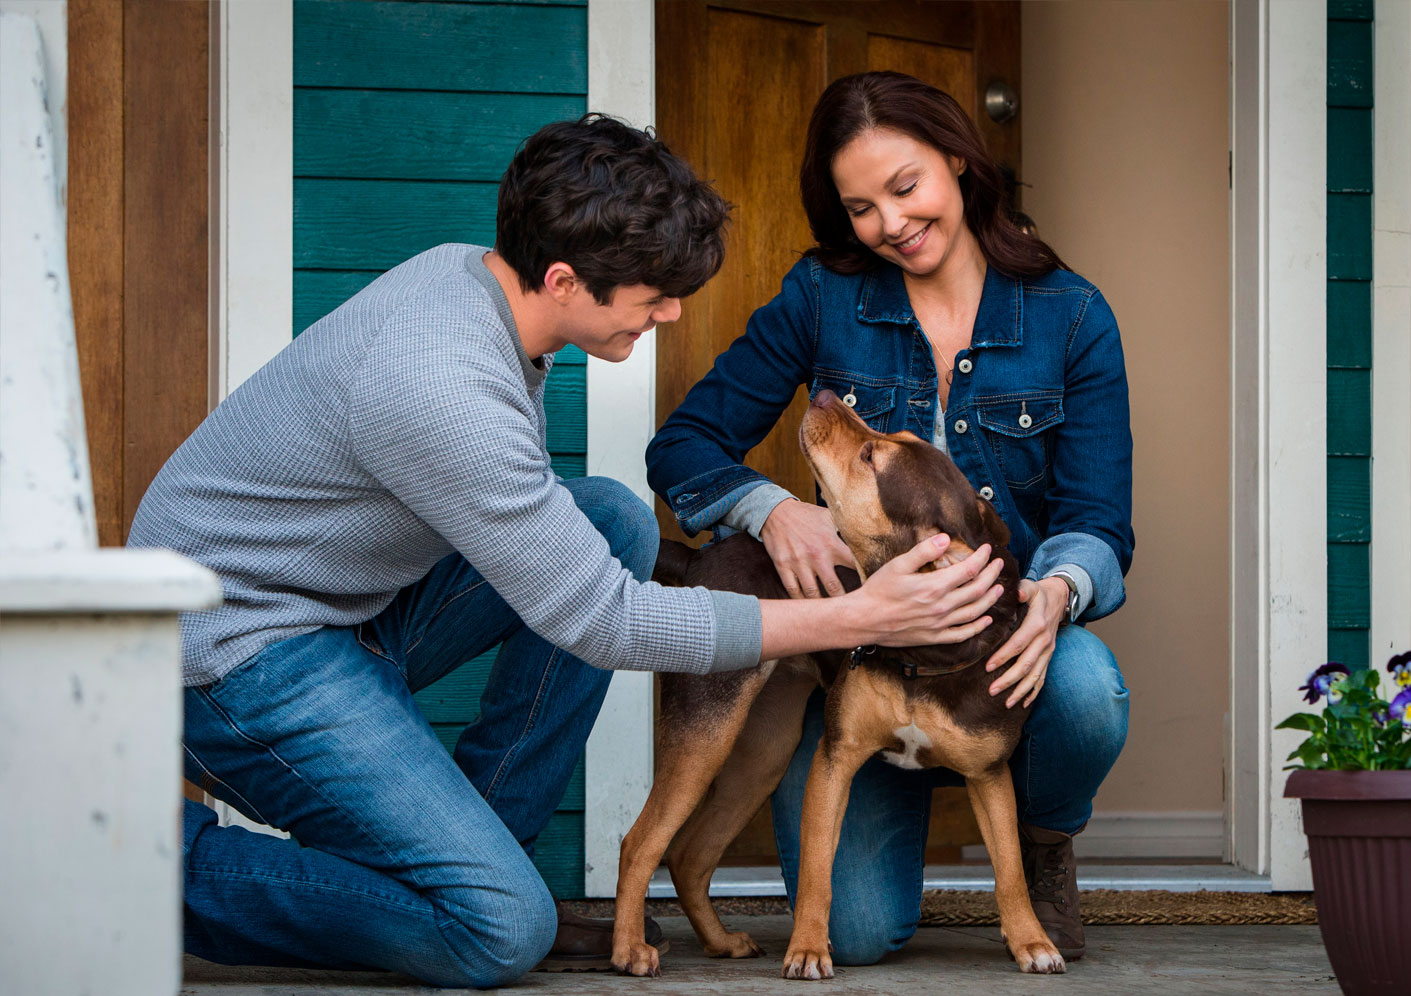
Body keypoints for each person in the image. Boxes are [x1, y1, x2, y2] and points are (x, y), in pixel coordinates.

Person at [129, 114, 1009, 987]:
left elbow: (568, 561)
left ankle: (471, 855)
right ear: (562, 278)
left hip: (340, 604)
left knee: (612, 522)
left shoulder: (469, 279)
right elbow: (603, 621)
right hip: (236, 652)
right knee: (500, 930)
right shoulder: (443, 388)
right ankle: (157, 878)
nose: (668, 313)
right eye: (654, 294)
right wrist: (850, 616)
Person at [646, 73, 1134, 964]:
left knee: (1087, 689)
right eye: (860, 206)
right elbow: (683, 446)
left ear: (957, 157)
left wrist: (1058, 592)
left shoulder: (1073, 316)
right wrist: (768, 507)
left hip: (988, 649)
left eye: (905, 188)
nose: (891, 224)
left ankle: (1042, 839)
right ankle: (869, 771)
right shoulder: (822, 295)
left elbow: (1100, 519)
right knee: (860, 937)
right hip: (864, 658)